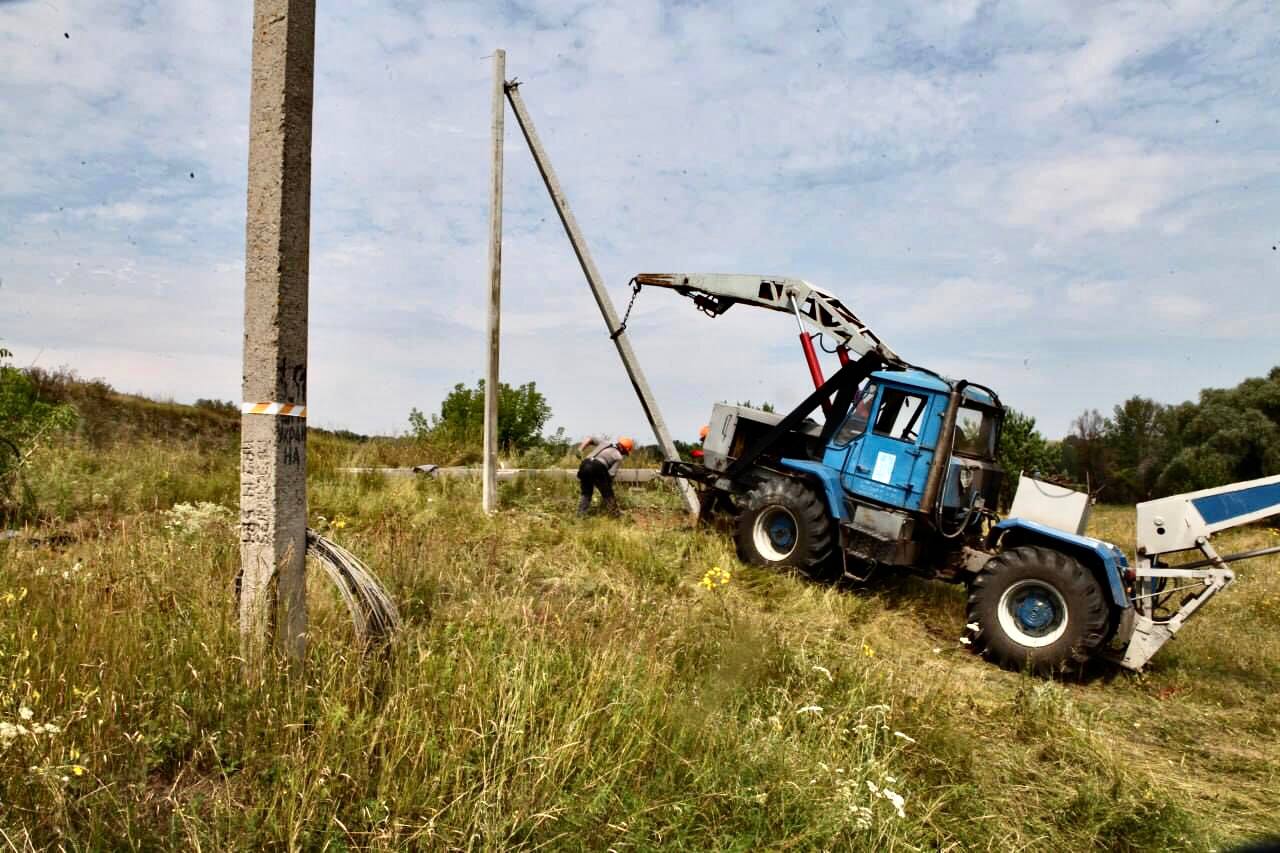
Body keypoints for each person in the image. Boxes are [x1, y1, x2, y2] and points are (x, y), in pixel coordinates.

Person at [576, 435, 634, 516]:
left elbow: (590, 438)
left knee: (586, 492)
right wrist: (606, 486)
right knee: (608, 493)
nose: (624, 454)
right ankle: (615, 514)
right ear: (623, 449)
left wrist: (580, 449)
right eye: (625, 452)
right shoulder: (618, 457)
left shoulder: (605, 443)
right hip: (598, 466)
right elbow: (611, 474)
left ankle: (580, 514)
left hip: (585, 464)